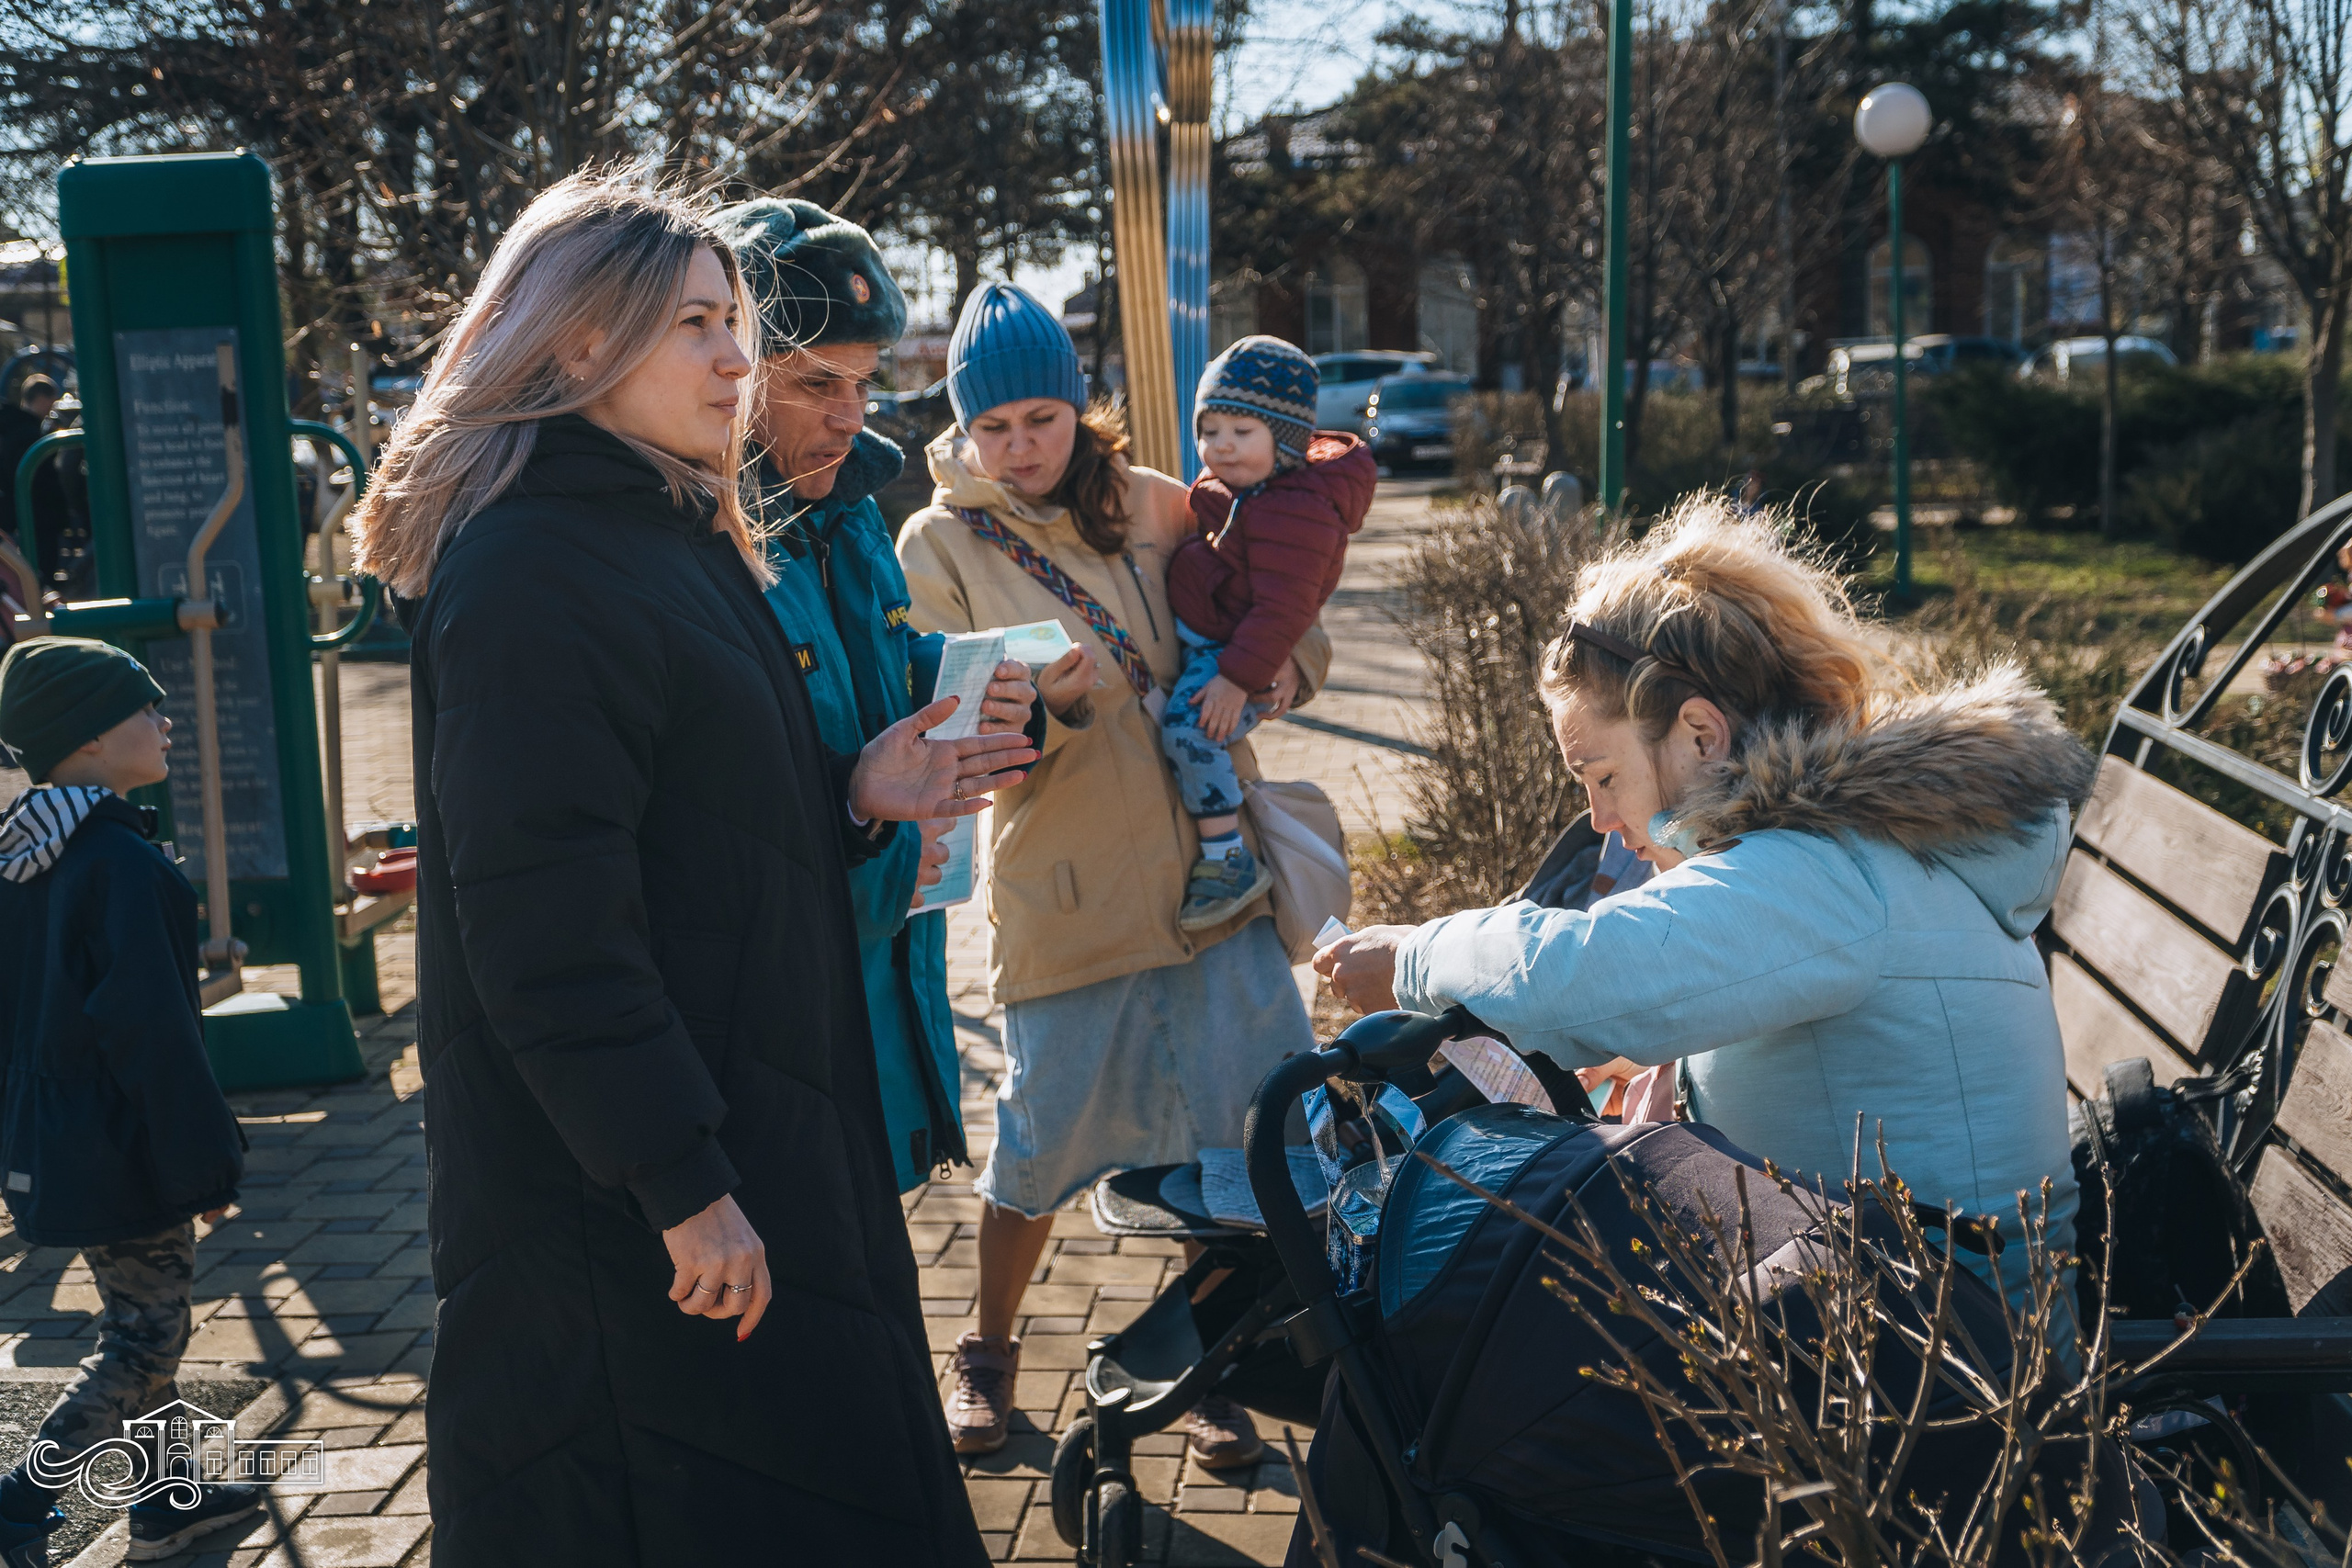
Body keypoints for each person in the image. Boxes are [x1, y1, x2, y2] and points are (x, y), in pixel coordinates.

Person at [349, 172, 1033, 1566]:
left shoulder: (665, 531)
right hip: (645, 1209)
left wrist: (855, 791)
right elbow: (543, 927)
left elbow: (685, 826)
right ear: (578, 340)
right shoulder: (531, 569)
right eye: (697, 325)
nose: (736, 358)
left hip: (754, 1125)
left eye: (735, 321)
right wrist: (679, 1179)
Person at [1316, 495, 2088, 1313]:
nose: (1599, 819)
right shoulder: (1846, 850)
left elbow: (1586, 970)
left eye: (1603, 776)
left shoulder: (1826, 870)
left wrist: (1412, 959)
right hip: (1904, 1314)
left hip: (1947, 1356)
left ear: (1700, 735)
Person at [896, 283, 1332, 1470]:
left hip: (1213, 886)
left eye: (1041, 418)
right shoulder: (938, 545)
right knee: (1036, 1146)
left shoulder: (1162, 503)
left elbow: (1287, 610)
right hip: (1066, 894)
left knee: (1231, 1144)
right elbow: (938, 732)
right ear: (963, 428)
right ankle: (988, 1348)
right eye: (994, 428)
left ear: (1078, 405)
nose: (1020, 448)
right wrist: (1046, 707)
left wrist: (1279, 675)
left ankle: (1208, 1367)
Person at [717, 197, 1037, 1192]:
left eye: (864, 381)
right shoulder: (704, 536)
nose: (851, 415)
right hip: (783, 1035)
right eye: (817, 382)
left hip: (884, 984)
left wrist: (968, 684)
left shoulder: (847, 509)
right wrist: (856, 801)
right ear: (732, 371)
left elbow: (867, 667)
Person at [0, 636, 262, 1568]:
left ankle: (164, 1500)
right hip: (126, 1145)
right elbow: (155, 1037)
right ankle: (21, 1499)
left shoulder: (23, 857)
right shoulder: (122, 864)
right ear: (88, 738)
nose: (165, 720)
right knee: (147, 1339)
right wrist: (207, 1164)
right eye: (144, 707)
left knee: (136, 1313)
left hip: (55, 1136)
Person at [1163, 336, 1373, 929]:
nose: (1221, 445)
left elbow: (1284, 609)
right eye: (1209, 430)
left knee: (1190, 730)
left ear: (1284, 441)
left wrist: (1236, 679)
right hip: (1225, 645)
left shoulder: (1294, 508)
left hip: (1233, 657)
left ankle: (1226, 857)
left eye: (1241, 431)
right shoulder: (1250, 492)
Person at [0, 377, 58, 545]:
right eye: (51, 403)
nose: (51, 410)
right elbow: (40, 481)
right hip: (32, 518)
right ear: (41, 399)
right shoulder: (28, 435)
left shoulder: (11, 427)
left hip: (15, 515)